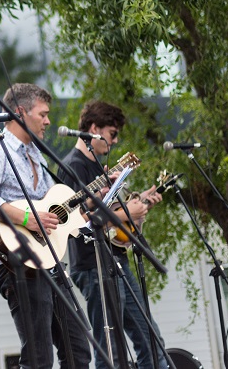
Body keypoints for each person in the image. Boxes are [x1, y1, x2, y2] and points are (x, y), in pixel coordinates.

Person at [0, 83, 91, 369]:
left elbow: (50, 209)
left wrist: (86, 209)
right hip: (16, 261)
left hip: (48, 260)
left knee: (79, 350)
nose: (48, 121)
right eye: (43, 114)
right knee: (38, 358)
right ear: (20, 112)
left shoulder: (36, 155)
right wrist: (23, 218)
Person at [58, 100, 168, 369]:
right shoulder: (73, 166)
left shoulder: (99, 167)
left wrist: (138, 206)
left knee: (151, 340)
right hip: (92, 265)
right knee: (111, 350)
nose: (115, 141)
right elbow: (76, 222)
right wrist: (125, 214)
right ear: (94, 129)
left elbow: (112, 223)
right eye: (112, 133)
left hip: (116, 260)